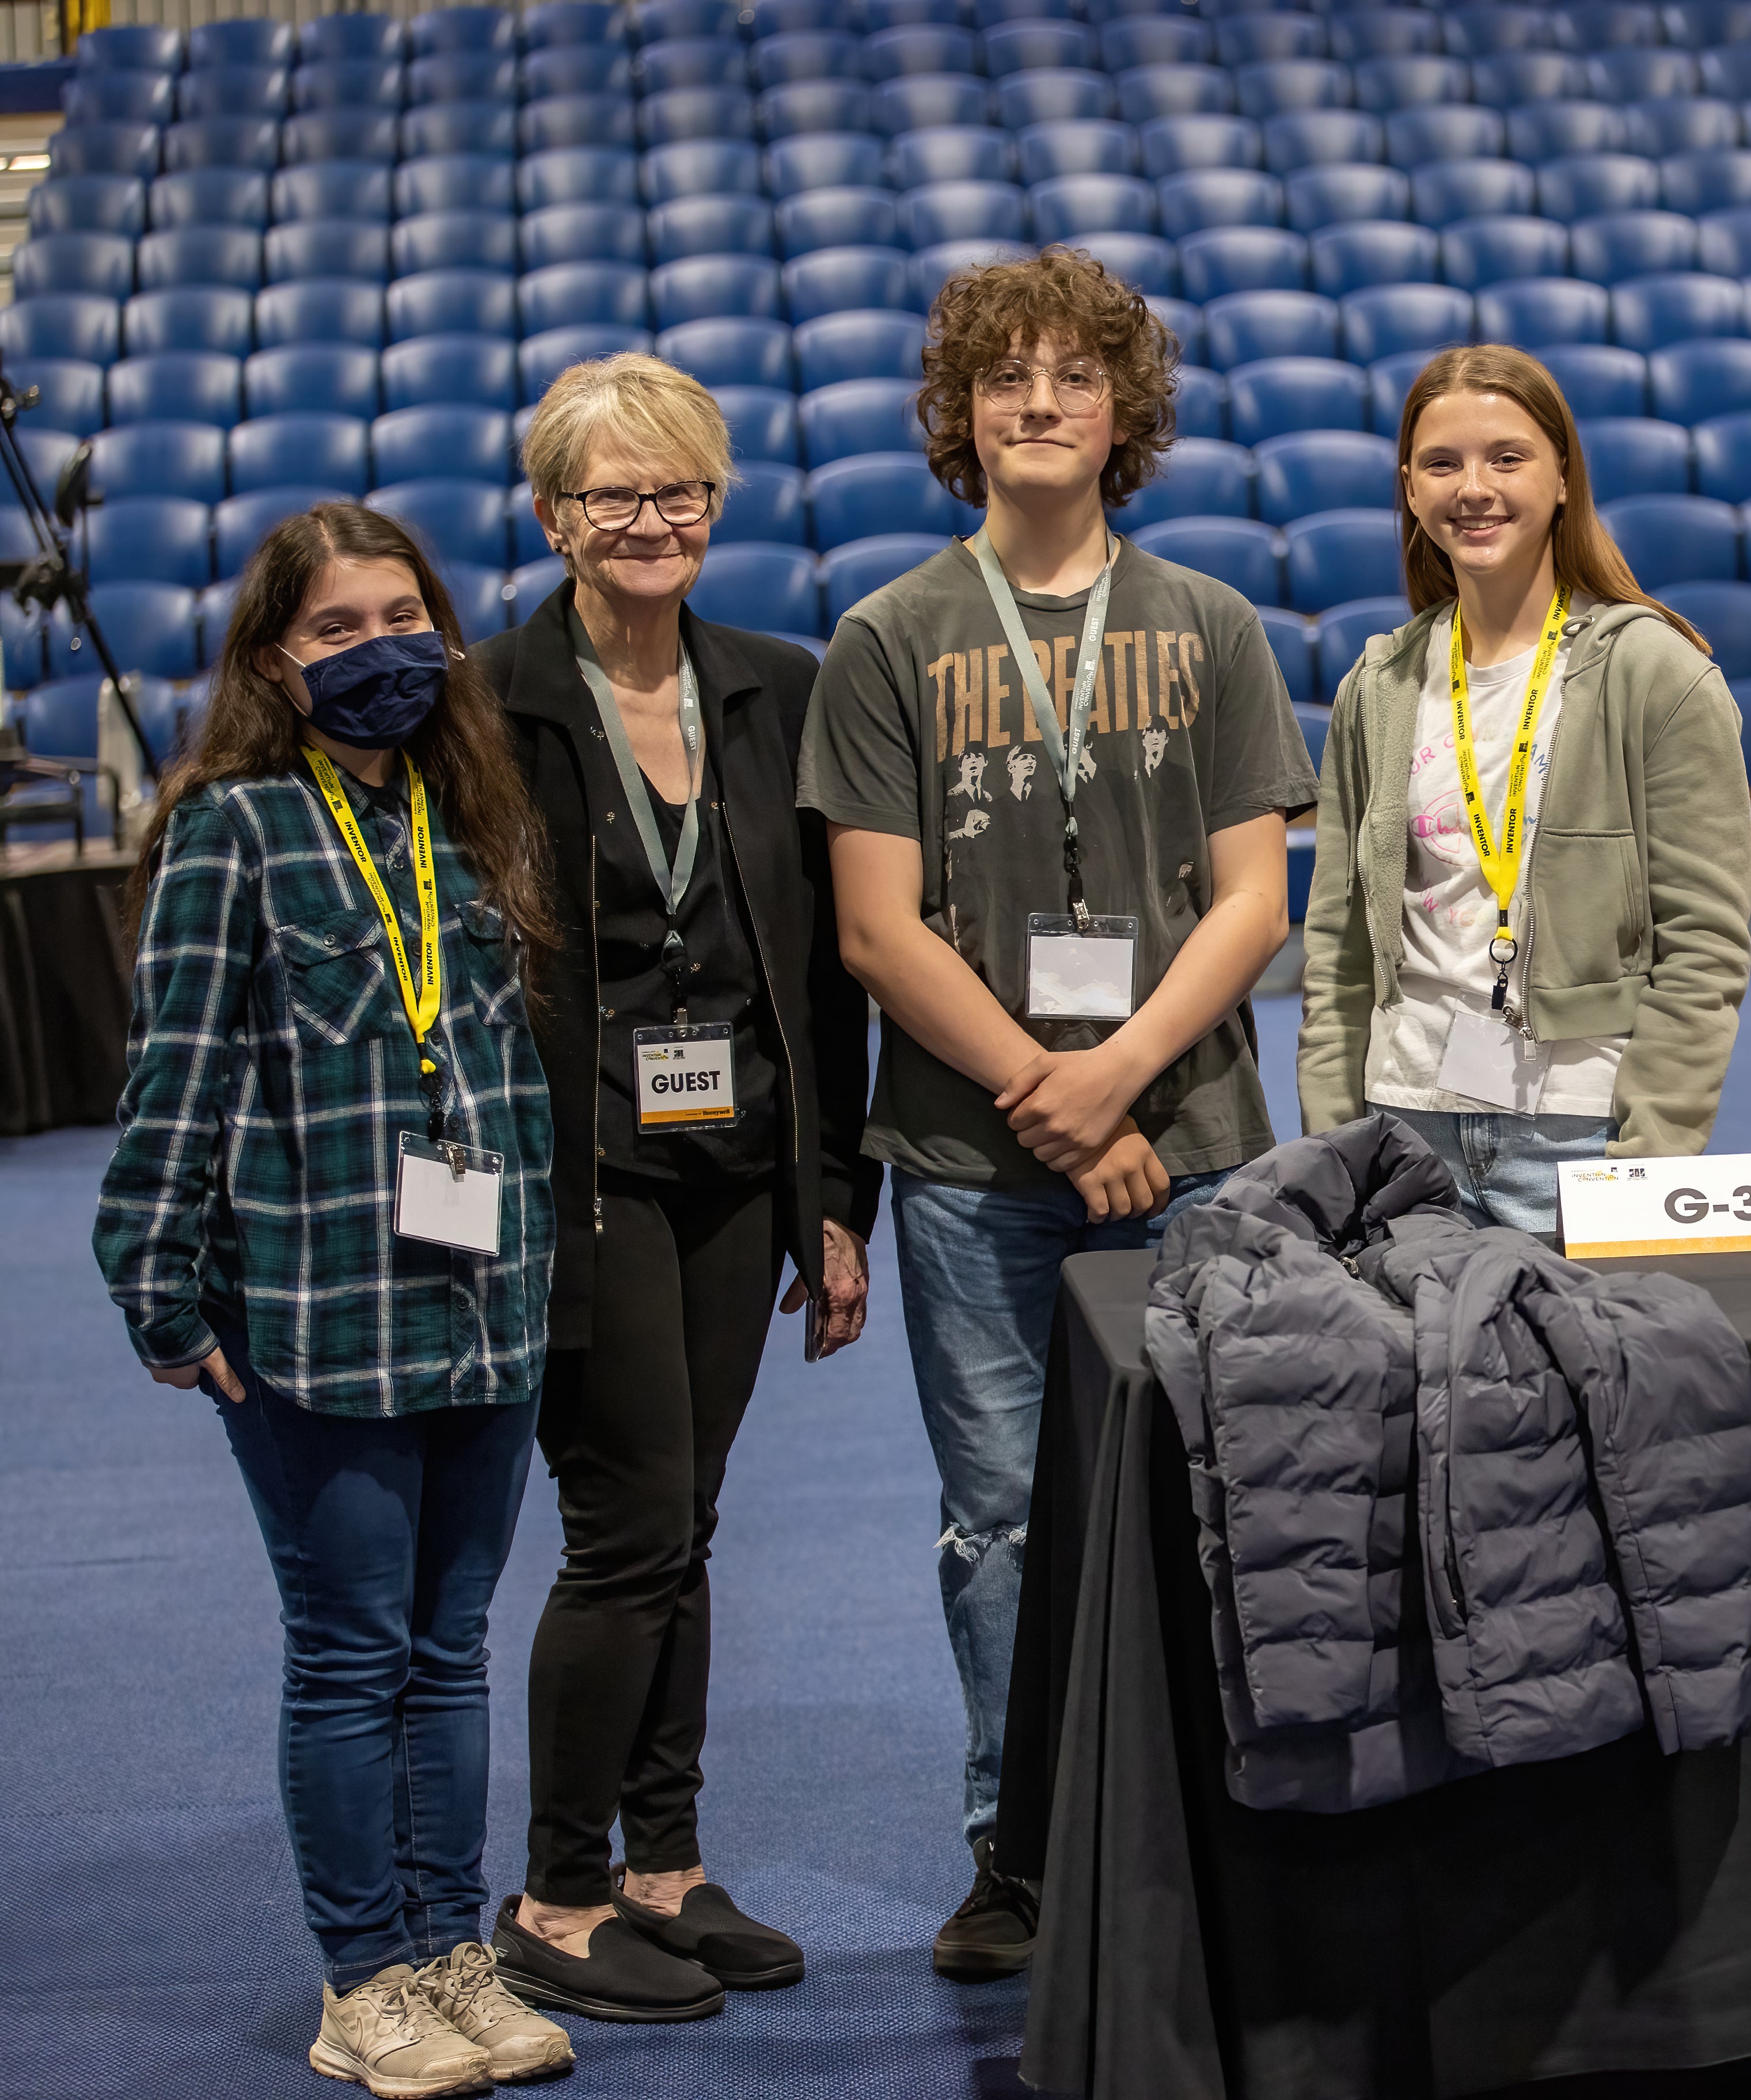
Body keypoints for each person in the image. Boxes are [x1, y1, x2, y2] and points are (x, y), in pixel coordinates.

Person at [798, 249, 1316, 1979]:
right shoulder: (890, 637)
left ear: (1123, 414)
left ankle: (1231, 1820)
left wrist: (1116, 1076)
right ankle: (1020, 1846)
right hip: (970, 1164)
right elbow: (877, 927)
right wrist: (1059, 1097)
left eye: (1073, 377)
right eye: (1003, 379)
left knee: (1232, 1488)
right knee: (1005, 1515)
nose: (1037, 402)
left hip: (1198, 1138)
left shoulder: (1213, 625)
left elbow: (1255, 903)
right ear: (959, 416)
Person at [93, 504, 576, 2098]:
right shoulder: (233, 830)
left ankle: (453, 1952)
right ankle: (363, 1976)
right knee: (353, 1650)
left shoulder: (467, 820)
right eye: (337, 631)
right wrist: (158, 1286)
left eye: (402, 616)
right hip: (318, 1312)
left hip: (484, 1310)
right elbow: (177, 1075)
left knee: (451, 1648)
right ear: (274, 664)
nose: (383, 652)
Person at [478, 353, 880, 2024]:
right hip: (583, 1178)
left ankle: (664, 1865)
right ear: (555, 515)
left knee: (685, 1525)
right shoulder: (486, 704)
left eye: (678, 491)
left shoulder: (778, 687)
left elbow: (829, 967)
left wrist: (833, 1193)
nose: (650, 522)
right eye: (612, 495)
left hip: (740, 1165)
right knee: (629, 1527)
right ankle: (560, 1893)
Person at [1297, 344, 1751, 1230]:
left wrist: (1651, 1161)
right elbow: (1339, 941)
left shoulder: (1656, 673)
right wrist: (1336, 1143)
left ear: (1561, 478)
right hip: (1403, 1132)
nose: (1474, 487)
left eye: (1507, 457)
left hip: (1580, 1141)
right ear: (1409, 487)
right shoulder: (1379, 685)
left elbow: (1704, 945)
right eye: (1443, 463)